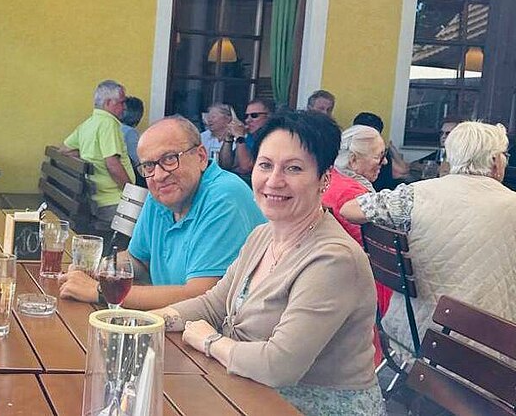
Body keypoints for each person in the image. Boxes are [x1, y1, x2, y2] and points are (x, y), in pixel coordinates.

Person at [152, 111, 383, 415]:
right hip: (246, 391)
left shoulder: (334, 260)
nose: (274, 181)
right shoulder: (263, 235)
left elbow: (278, 366)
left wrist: (209, 341)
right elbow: (213, 304)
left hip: (305, 407)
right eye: (265, 165)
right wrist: (150, 322)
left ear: (324, 179)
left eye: (293, 168)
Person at [341, 120, 516, 358]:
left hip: (412, 335)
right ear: (495, 161)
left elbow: (349, 209)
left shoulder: (415, 194)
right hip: (488, 350)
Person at [59, 116, 266, 310]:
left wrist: (100, 291)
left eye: (169, 159)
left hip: (218, 331)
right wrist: (99, 270)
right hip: (173, 322)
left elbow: (201, 297)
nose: (158, 175)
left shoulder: (224, 197)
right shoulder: (161, 194)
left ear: (201, 157)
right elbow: (138, 261)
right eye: (149, 165)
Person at [322, 125, 392, 364]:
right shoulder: (357, 196)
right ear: (353, 160)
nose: (384, 162)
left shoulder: (329, 181)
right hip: (368, 289)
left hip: (334, 284)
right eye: (380, 156)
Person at [61, 80, 135, 223]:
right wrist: (131, 194)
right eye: (122, 102)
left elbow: (64, 150)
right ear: (108, 103)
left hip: (95, 199)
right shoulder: (109, 124)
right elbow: (113, 165)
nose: (124, 107)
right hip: (112, 201)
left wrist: (91, 155)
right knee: (156, 216)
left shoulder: (89, 123)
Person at [352, 112, 409, 191]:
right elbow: (401, 171)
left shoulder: (345, 149)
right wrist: (392, 149)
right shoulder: (377, 151)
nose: (384, 161)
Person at [219, 98, 276, 175]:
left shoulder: (273, 138)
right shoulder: (251, 137)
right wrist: (228, 138)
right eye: (246, 116)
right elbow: (226, 165)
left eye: (254, 115)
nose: (248, 120)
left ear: (269, 117)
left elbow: (246, 167)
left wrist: (240, 137)